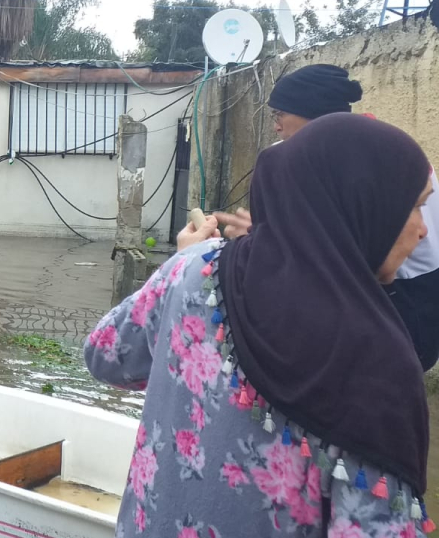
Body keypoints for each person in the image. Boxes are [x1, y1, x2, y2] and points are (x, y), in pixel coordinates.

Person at [91, 114, 434, 538]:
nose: (423, 230)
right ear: (363, 205)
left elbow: (104, 355)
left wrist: (175, 269)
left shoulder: (194, 271)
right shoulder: (380, 362)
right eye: (415, 205)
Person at [180, 64, 439, 370]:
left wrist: (194, 261)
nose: (276, 126)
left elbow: (332, 254)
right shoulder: (334, 156)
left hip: (406, 298)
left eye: (280, 115)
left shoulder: (376, 164)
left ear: (313, 114)